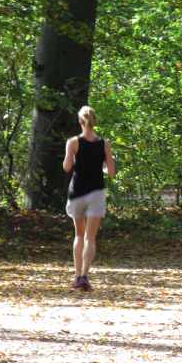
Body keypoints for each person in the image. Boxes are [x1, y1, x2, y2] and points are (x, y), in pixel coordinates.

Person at [63, 106, 115, 291]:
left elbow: (67, 167)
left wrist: (74, 158)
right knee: (90, 238)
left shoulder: (73, 142)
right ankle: (85, 276)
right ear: (94, 121)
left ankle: (77, 276)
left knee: (79, 234)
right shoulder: (104, 143)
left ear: (80, 121)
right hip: (96, 193)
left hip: (77, 191)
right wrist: (100, 166)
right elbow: (111, 172)